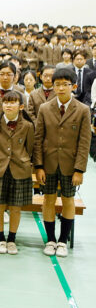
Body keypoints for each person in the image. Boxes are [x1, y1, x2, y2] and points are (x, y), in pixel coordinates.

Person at [34, 68, 91, 258]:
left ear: (73, 86)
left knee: (68, 200)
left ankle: (63, 241)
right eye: (56, 84)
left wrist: (79, 169)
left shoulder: (83, 110)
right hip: (48, 163)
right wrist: (39, 166)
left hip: (70, 164)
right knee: (48, 199)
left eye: (64, 84)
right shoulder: (44, 108)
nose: (59, 88)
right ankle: (50, 239)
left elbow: (84, 142)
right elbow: (38, 138)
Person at [0, 91, 34, 255]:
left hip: (20, 169)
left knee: (16, 207)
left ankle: (11, 240)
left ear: (21, 106)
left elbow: (30, 148)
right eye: (6, 102)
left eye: (13, 102)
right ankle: (0, 239)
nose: (9, 105)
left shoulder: (27, 126)